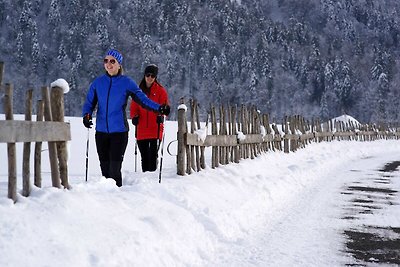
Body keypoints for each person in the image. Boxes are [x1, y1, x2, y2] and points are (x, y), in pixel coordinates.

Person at [82, 49, 170, 187]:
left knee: (114, 169)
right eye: (106, 61)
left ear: (119, 64)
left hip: (119, 132)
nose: (108, 64)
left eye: (112, 61)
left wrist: (159, 108)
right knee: (105, 171)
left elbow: (143, 100)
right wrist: (86, 116)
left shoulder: (127, 83)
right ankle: (104, 202)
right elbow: (89, 103)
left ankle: (117, 198)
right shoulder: (98, 83)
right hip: (101, 132)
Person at [130, 64, 169, 172]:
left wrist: (161, 116)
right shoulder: (138, 91)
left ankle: (152, 178)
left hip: (155, 129)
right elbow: (133, 107)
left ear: (155, 77)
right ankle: (144, 179)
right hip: (141, 129)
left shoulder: (161, 91)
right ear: (144, 75)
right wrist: (134, 117)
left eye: (152, 76)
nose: (150, 78)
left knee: (152, 156)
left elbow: (165, 107)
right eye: (148, 75)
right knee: (144, 157)